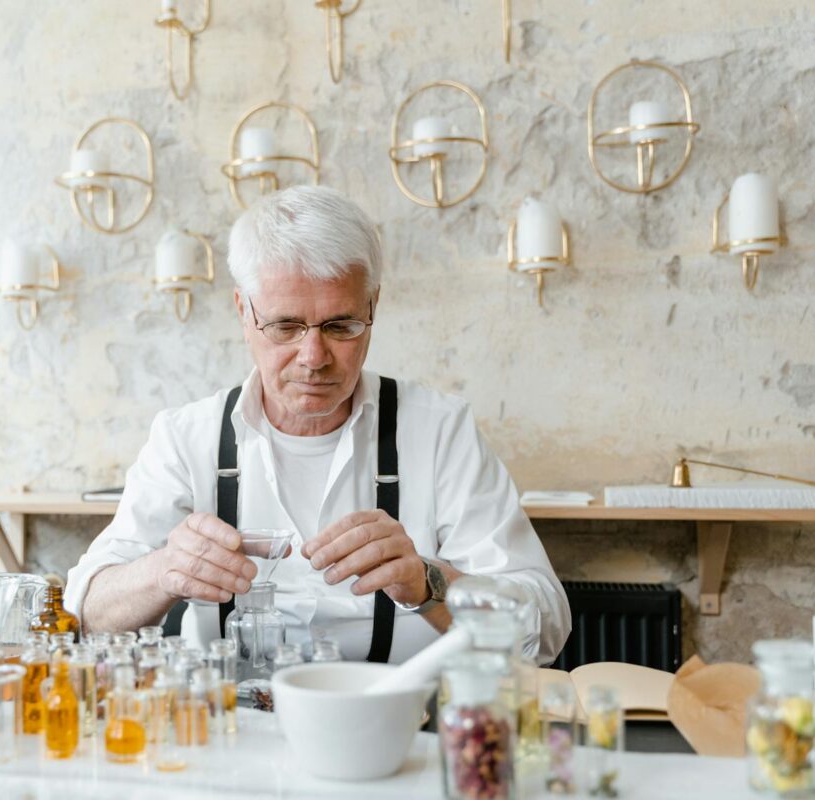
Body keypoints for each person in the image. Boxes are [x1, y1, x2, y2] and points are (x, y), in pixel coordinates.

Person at [65, 185, 570, 664]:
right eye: (285, 326)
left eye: (340, 326)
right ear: (244, 312)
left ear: (372, 308)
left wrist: (429, 583)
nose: (313, 357)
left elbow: (544, 629)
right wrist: (164, 572)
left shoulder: (440, 431)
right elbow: (85, 613)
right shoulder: (185, 438)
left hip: (404, 727)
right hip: (231, 732)